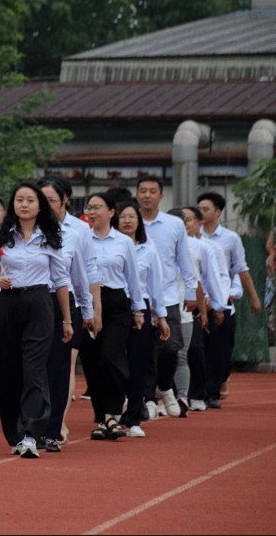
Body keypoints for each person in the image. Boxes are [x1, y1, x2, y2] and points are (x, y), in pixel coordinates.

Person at [0, 182, 71, 458]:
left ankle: (32, 434)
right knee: (7, 371)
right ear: (12, 205)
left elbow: (61, 280)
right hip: (8, 304)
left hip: (39, 304)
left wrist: (67, 320)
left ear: (40, 206)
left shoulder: (50, 237)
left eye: (30, 200)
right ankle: (15, 434)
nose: (24, 204)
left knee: (34, 370)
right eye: (19, 199)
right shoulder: (0, 236)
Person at [37, 176, 97, 450]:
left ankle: (52, 429)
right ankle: (30, 426)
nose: (44, 205)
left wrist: (88, 310)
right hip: (29, 303)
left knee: (59, 369)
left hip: (62, 304)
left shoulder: (76, 232)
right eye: (41, 199)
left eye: (51, 199)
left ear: (64, 202)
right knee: (30, 369)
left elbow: (82, 273)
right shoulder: (18, 231)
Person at [82, 192, 145, 441]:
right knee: (92, 362)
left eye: (98, 207)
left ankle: (112, 414)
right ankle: (101, 419)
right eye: (89, 207)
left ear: (111, 212)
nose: (92, 211)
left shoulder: (123, 242)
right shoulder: (81, 239)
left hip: (117, 303)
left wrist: (137, 310)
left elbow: (133, 278)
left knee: (111, 357)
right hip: (87, 303)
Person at [136, 176, 197, 419]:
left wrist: (191, 291)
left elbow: (184, 258)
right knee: (145, 350)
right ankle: (149, 398)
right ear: (137, 195)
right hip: (139, 297)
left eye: (152, 191)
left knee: (171, 348)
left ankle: (165, 386)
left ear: (162, 196)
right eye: (143, 191)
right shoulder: (129, 223)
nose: (147, 195)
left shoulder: (174, 224)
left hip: (169, 296)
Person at [197, 191, 262, 408]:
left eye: (205, 209)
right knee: (202, 349)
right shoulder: (192, 236)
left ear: (218, 212)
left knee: (223, 355)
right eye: (199, 209)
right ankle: (208, 394)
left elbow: (241, 269)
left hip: (222, 302)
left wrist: (253, 297)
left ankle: (221, 378)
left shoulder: (230, 238)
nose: (201, 213)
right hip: (197, 301)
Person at [115, 201, 168, 437]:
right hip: (113, 306)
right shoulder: (109, 245)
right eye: (122, 216)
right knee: (112, 361)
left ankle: (134, 418)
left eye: (132, 217)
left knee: (138, 362)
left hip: (141, 308)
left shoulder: (149, 249)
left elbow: (157, 285)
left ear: (139, 222)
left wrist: (161, 317)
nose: (127, 220)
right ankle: (111, 413)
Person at [174, 206, 229, 411]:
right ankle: (166, 395)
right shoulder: (156, 246)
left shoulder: (201, 247)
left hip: (195, 305)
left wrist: (215, 306)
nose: (185, 224)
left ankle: (196, 394)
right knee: (167, 353)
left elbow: (208, 278)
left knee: (193, 351)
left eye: (187, 220)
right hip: (165, 306)